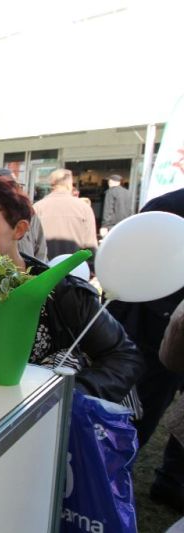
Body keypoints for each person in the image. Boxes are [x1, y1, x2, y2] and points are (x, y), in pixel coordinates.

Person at [0, 175, 143, 404]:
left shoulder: (63, 293)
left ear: (20, 229)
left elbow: (123, 356)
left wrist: (68, 396)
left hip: (41, 427)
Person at [108, 186, 184, 513]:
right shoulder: (168, 207)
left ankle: (170, 478)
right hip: (150, 336)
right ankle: (109, 474)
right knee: (138, 410)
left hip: (161, 330)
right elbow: (130, 267)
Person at [33, 168, 98, 261]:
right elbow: (90, 246)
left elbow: (30, 243)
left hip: (44, 269)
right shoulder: (84, 208)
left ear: (52, 184)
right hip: (75, 268)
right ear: (69, 184)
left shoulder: (38, 207)